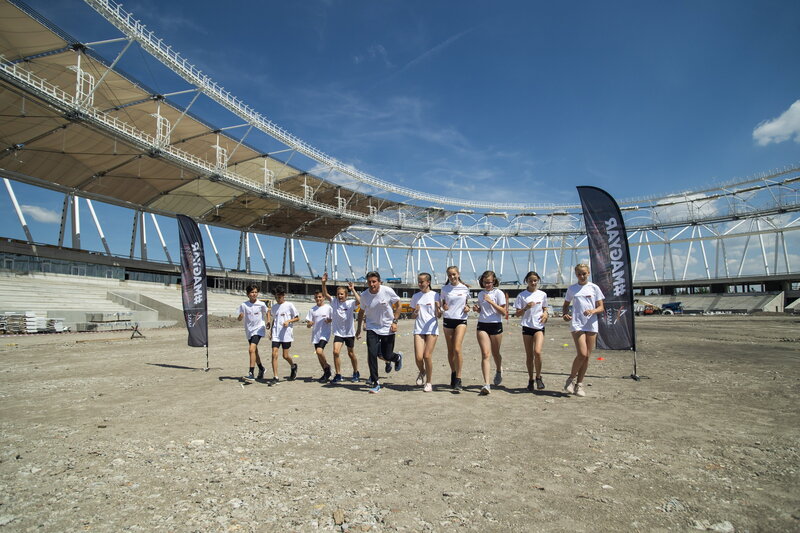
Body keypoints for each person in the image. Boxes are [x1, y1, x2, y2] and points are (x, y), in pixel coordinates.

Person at [355, 271, 404, 394]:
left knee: (386, 355)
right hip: (372, 327)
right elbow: (361, 312)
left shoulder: (387, 291)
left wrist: (395, 322)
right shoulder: (364, 295)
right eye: (369, 282)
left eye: (374, 282)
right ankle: (375, 382)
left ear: (379, 281)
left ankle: (397, 357)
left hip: (387, 327)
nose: (372, 284)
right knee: (372, 354)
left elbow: (399, 305)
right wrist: (359, 329)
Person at [562, 263, 605, 397]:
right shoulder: (572, 289)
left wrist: (593, 311)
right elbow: (566, 305)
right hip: (577, 324)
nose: (581, 276)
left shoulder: (594, 288)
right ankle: (570, 379)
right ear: (576, 275)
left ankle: (579, 384)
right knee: (582, 353)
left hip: (591, 324)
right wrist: (565, 314)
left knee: (587, 357)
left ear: (588, 273)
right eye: (579, 274)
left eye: (584, 273)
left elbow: (601, 307)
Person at [320, 273, 361, 383]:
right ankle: (338, 374)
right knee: (335, 352)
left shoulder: (350, 303)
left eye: (342, 294)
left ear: (346, 295)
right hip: (338, 333)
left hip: (349, 333)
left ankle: (356, 372)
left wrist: (353, 289)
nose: (340, 296)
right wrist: (323, 283)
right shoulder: (334, 302)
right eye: (338, 294)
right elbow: (325, 294)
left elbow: (359, 301)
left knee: (351, 354)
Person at [472, 270, 507, 396]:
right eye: (485, 282)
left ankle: (498, 370)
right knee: (485, 354)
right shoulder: (481, 294)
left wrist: (491, 302)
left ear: (494, 282)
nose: (487, 285)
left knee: (496, 353)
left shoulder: (499, 293)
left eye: (489, 282)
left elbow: (503, 312)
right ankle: (486, 384)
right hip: (482, 324)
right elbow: (482, 309)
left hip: (495, 324)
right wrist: (477, 309)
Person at [514, 271, 549, 391]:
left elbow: (545, 307)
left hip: (539, 326)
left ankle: (538, 377)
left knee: (537, 352)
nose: (533, 283)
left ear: (538, 281)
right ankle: (530, 379)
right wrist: (526, 308)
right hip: (527, 326)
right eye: (530, 281)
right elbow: (517, 314)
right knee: (529, 355)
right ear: (526, 281)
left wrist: (546, 313)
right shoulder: (522, 296)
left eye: (535, 280)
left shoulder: (542, 294)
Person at [441, 265, 470, 392]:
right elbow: (441, 305)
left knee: (457, 348)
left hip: (461, 320)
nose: (452, 277)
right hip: (448, 319)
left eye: (454, 274)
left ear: (458, 274)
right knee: (451, 350)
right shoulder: (444, 289)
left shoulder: (465, 288)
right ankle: (453, 372)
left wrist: (468, 308)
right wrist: (443, 308)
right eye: (449, 275)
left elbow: (467, 303)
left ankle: (458, 378)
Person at [410, 272, 441, 392]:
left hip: (432, 329)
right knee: (418, 357)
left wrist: (438, 309)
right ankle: (422, 371)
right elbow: (412, 316)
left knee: (427, 356)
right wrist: (415, 312)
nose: (420, 284)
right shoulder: (416, 296)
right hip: (419, 329)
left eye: (422, 282)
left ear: (428, 282)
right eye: (418, 281)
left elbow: (439, 315)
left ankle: (429, 382)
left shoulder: (436, 295)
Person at [267, 286, 299, 384]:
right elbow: (274, 319)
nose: (278, 299)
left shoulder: (289, 305)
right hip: (276, 334)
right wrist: (271, 331)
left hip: (286, 334)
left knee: (285, 355)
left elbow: (297, 318)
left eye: (279, 297)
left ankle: (293, 366)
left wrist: (288, 321)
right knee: (274, 354)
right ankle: (275, 377)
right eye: (276, 297)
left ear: (283, 295)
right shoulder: (274, 307)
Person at [237, 284, 268, 383]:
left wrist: (268, 321)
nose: (254, 294)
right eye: (252, 292)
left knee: (251, 349)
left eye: (255, 292)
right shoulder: (244, 305)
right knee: (254, 351)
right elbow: (239, 318)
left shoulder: (261, 304)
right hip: (249, 330)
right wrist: (240, 317)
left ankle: (251, 373)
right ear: (248, 294)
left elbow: (267, 311)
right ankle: (261, 368)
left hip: (259, 329)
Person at [306, 290, 333, 383]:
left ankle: (327, 367)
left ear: (324, 297)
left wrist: (329, 320)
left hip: (325, 333)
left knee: (319, 351)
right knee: (318, 354)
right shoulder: (312, 310)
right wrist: (309, 324)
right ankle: (326, 373)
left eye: (320, 297)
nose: (318, 299)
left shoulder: (328, 308)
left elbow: (332, 318)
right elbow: (308, 324)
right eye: (316, 297)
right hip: (316, 335)